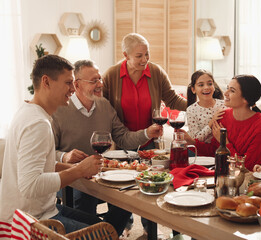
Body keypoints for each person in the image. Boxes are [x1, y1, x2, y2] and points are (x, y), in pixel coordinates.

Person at [51, 60, 163, 236]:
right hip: (70, 176)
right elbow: (47, 153)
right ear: (77, 84)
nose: (99, 84)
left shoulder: (104, 105)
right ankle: (91, 235)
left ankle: (107, 235)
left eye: (99, 79)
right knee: (85, 198)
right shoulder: (59, 109)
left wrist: (147, 133)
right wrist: (64, 156)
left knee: (129, 198)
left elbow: (123, 138)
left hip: (100, 172)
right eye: (93, 81)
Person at [0, 55, 103, 234]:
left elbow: (39, 166)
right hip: (28, 222)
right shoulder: (37, 124)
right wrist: (79, 171)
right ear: (46, 82)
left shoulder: (29, 112)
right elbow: (30, 185)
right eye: (68, 83)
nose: (73, 89)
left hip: (34, 212)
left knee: (96, 222)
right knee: (106, 234)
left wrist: (77, 167)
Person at [102, 32, 187, 234]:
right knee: (122, 192)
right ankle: (122, 227)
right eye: (139, 56)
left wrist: (199, 103)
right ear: (126, 55)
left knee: (152, 187)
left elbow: (174, 100)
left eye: (147, 54)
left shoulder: (155, 72)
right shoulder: (112, 75)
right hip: (121, 141)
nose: (145, 60)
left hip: (151, 141)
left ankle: (151, 230)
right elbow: (102, 105)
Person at [182, 74, 261, 171]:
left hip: (260, 179)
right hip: (230, 173)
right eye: (227, 88)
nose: (225, 93)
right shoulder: (223, 115)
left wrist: (225, 143)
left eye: (232, 91)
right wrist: (192, 142)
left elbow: (247, 165)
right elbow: (213, 151)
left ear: (245, 99)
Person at [186, 69, 227, 143]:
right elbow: (195, 140)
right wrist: (211, 122)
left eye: (210, 84)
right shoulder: (191, 110)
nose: (206, 87)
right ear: (193, 89)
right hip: (201, 151)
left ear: (214, 86)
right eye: (201, 85)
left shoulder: (224, 105)